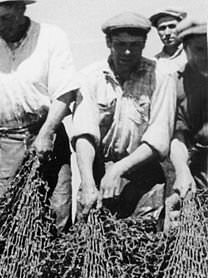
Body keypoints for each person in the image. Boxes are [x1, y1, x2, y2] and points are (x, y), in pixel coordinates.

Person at [0, 0, 78, 230]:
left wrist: (47, 132)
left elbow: (65, 92)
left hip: (45, 137)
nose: (2, 25)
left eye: (8, 18)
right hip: (3, 142)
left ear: (22, 9)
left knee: (54, 213)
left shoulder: (51, 38)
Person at [72, 13, 177, 220]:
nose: (127, 51)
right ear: (108, 42)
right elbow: (84, 133)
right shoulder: (90, 77)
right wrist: (87, 183)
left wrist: (118, 169)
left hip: (144, 173)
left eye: (135, 45)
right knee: (91, 241)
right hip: (98, 171)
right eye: (120, 44)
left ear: (145, 44)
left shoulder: (161, 76)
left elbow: (159, 138)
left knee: (143, 242)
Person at [170, 16, 208, 199]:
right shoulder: (178, 85)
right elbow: (179, 137)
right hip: (201, 176)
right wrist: (182, 170)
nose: (207, 55)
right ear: (185, 50)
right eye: (200, 49)